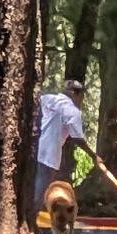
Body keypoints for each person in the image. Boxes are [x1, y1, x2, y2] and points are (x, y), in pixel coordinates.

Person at [30, 77, 87, 220]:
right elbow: (78, 138)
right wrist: (93, 156)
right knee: (40, 190)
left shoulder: (47, 99)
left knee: (33, 186)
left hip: (35, 150)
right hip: (48, 155)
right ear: (76, 94)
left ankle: (29, 218)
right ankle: (31, 219)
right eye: (81, 94)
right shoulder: (73, 111)